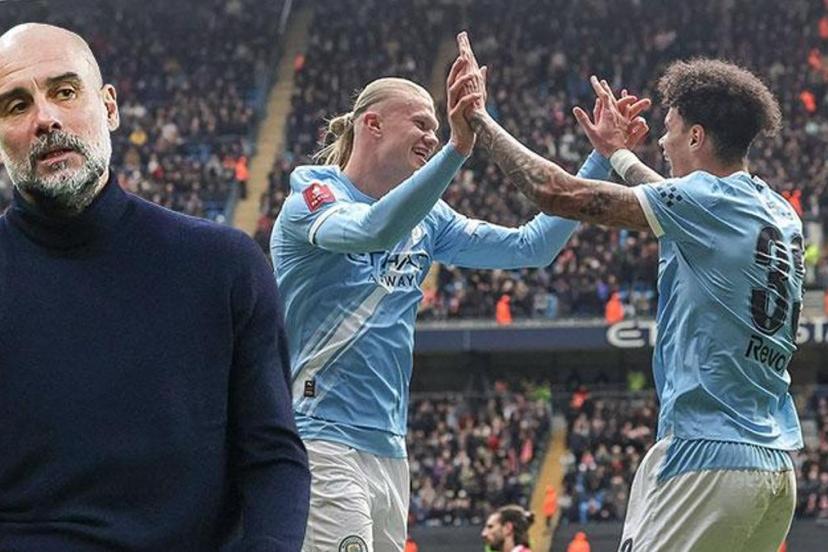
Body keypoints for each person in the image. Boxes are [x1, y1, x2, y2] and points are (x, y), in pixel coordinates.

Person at [270, 33, 632, 552]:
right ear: (372, 124)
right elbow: (372, 229)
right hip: (322, 437)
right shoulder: (312, 196)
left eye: (437, 129)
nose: (431, 134)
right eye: (421, 123)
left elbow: (533, 246)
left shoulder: (430, 219)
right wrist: (457, 149)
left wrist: (601, 158)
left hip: (390, 449)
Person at [460, 35, 802, 552]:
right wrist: (616, 154)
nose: (661, 143)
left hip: (707, 458)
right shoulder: (776, 210)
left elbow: (555, 192)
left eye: (669, 130)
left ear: (696, 136)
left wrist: (480, 119)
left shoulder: (705, 202)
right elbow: (674, 199)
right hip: (774, 465)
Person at [0, 23, 310, 551]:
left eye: (64, 91)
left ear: (110, 107)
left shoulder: (224, 266)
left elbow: (273, 460)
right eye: (16, 105)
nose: (45, 118)